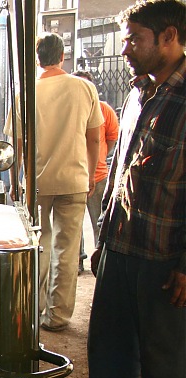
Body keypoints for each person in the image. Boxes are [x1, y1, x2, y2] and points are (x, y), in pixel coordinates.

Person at [60, 0, 186, 378]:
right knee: (109, 339)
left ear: (168, 36)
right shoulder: (138, 92)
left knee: (165, 353)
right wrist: (104, 238)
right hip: (121, 243)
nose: (127, 49)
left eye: (135, 39)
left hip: (163, 252)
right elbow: (121, 170)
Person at [6, 33, 103, 331]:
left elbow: (16, 146)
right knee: (67, 247)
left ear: (37, 59)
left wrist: (15, 181)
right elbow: (95, 137)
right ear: (63, 56)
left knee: (39, 244)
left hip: (38, 182)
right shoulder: (84, 88)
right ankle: (58, 316)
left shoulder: (26, 93)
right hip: (74, 179)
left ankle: (35, 310)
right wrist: (87, 173)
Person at [72, 70, 120, 272]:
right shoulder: (71, 111)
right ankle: (77, 261)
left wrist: (98, 157)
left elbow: (112, 137)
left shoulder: (104, 110)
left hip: (98, 176)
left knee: (99, 222)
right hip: (74, 174)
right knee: (74, 226)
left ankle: (101, 262)